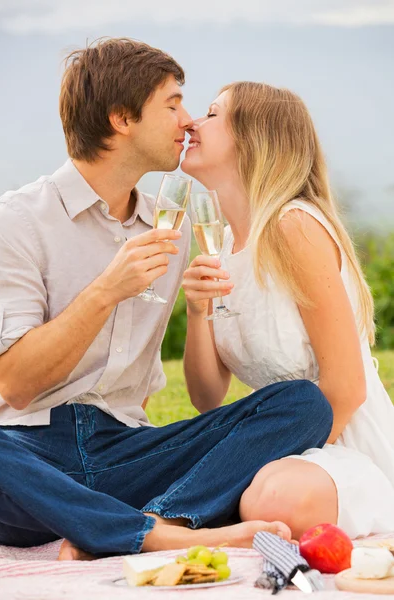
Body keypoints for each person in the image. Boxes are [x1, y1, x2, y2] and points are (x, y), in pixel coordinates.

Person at [0, 40, 332, 560]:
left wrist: (198, 310)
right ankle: (149, 531)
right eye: (172, 104)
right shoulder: (14, 222)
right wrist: (105, 291)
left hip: (127, 453)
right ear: (122, 118)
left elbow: (138, 384)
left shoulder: (171, 225)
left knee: (302, 403)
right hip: (26, 458)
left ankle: (152, 519)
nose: (187, 120)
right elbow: (14, 386)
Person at [181, 81, 394, 540]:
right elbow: (206, 397)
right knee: (254, 489)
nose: (192, 123)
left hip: (341, 441)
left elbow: (346, 389)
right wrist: (197, 312)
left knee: (272, 498)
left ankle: (205, 511)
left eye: (213, 114)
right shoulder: (217, 244)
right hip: (272, 448)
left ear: (254, 138)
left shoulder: (293, 227)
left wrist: (244, 462)